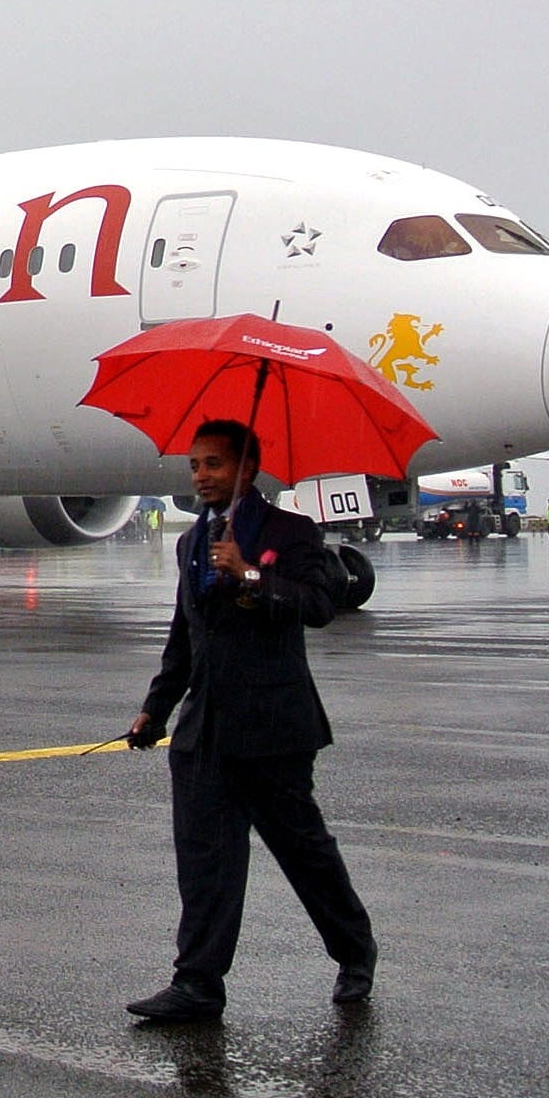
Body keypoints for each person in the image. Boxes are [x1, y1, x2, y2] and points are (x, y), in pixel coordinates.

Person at [123, 419, 377, 1022]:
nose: (201, 476)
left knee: (304, 853)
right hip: (204, 731)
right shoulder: (192, 543)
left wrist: (251, 575)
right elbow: (185, 636)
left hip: (273, 730)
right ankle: (197, 984)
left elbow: (318, 606)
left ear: (247, 468)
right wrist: (156, 708)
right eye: (195, 465)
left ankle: (354, 950)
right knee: (206, 864)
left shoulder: (291, 533)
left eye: (213, 464)